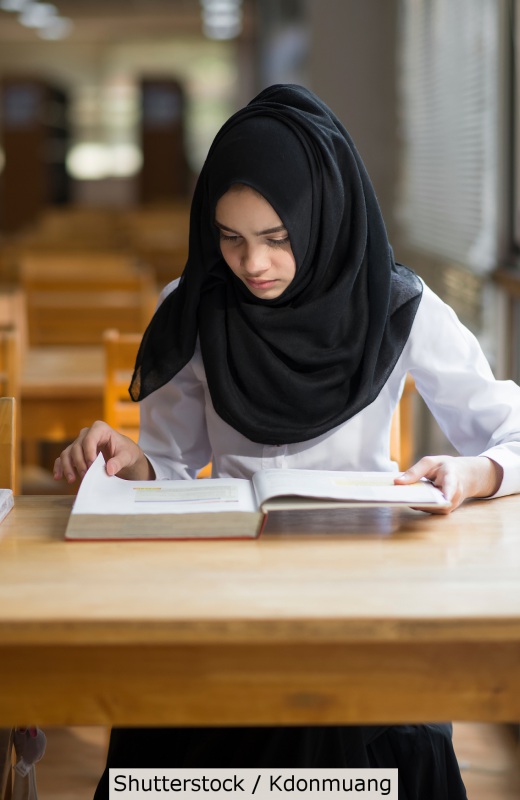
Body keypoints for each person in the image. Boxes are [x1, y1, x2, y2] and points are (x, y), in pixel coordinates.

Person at [54, 84, 520, 799]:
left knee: (314, 711)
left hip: (361, 589)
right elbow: (175, 468)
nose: (253, 265)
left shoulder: (396, 306)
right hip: (225, 586)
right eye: (231, 238)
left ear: (324, 218)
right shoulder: (196, 305)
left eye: (278, 238)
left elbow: (510, 432)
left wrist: (476, 473)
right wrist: (133, 461)